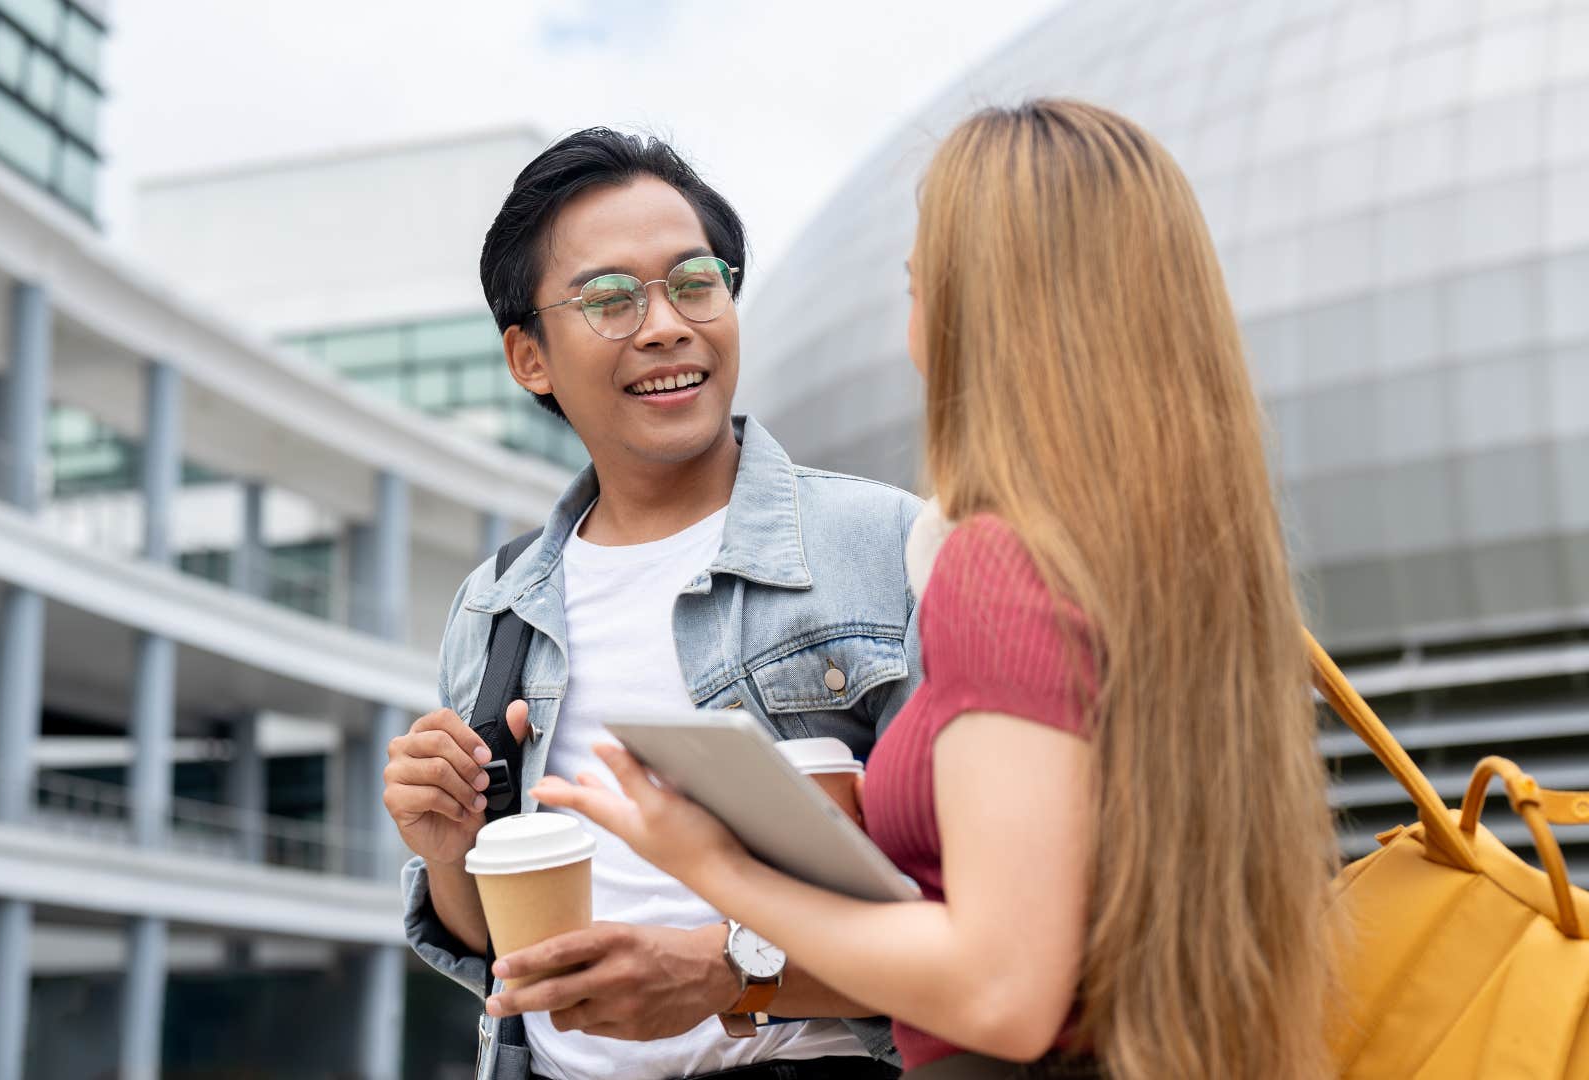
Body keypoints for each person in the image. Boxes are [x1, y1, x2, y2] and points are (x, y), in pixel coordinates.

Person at [525, 100, 1341, 1080]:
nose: (911, 325)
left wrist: (712, 865)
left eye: (919, 286)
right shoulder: (1186, 569)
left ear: (980, 308)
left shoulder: (995, 567)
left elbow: (1000, 990)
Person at [382, 128, 922, 1080]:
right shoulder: (496, 606)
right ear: (530, 359)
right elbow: (503, 951)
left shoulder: (887, 547)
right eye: (610, 298)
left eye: (694, 281)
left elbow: (980, 931)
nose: (667, 324)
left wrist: (727, 973)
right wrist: (451, 848)